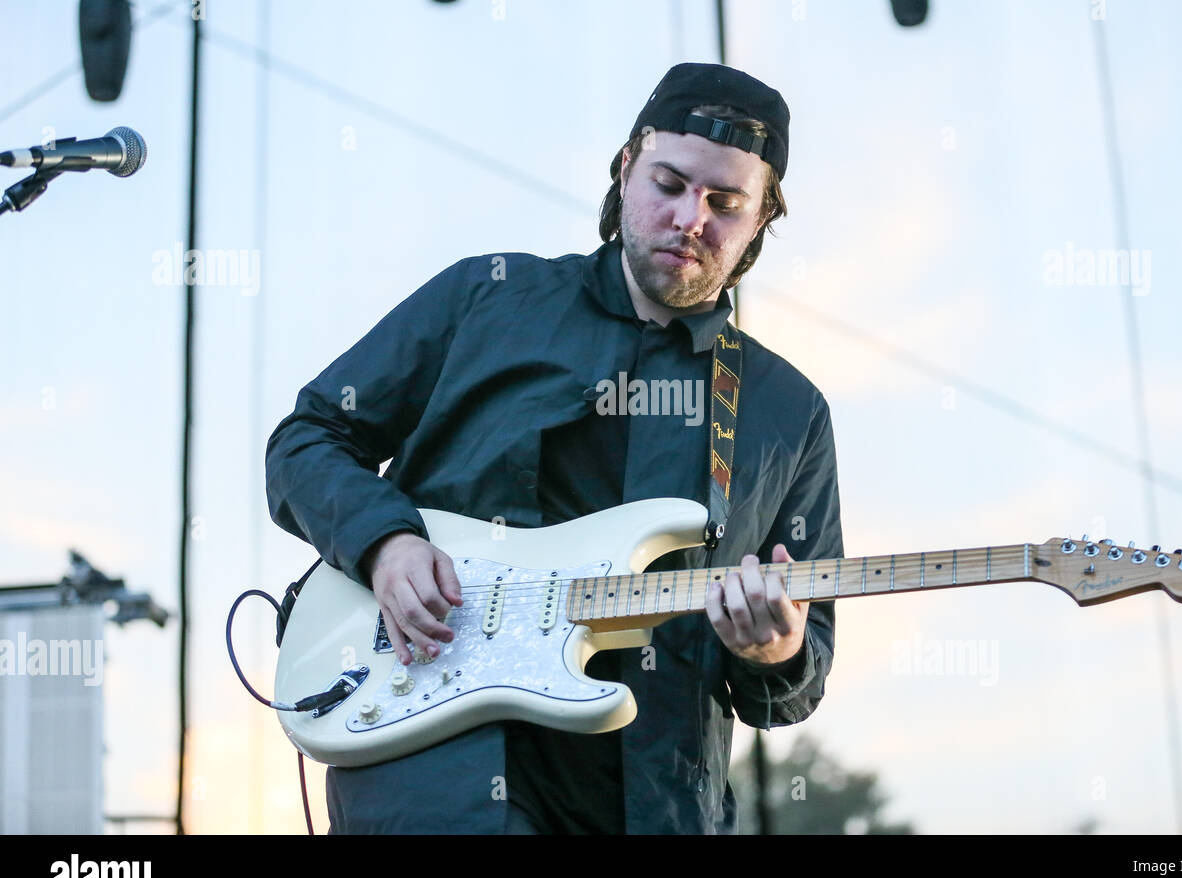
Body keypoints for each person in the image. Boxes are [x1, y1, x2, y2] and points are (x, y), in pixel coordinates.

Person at [265, 62, 844, 834]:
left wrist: (776, 650)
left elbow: (798, 679)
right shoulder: (487, 298)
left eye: (724, 203)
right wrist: (386, 543)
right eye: (668, 184)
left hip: (651, 796)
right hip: (437, 767)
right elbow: (308, 436)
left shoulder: (787, 410)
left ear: (761, 220)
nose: (688, 219)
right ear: (626, 169)